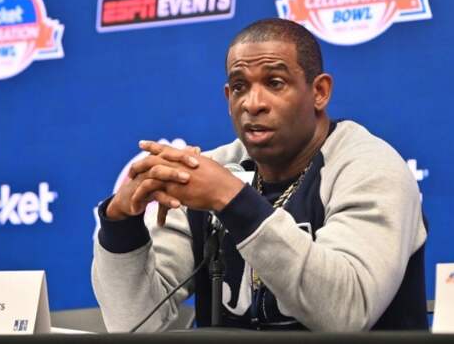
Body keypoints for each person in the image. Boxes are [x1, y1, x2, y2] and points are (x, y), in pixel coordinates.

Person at [92, 18, 428, 332]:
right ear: (228, 98)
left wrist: (232, 201)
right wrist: (121, 225)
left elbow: (347, 311)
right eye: (239, 87)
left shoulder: (368, 167)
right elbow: (133, 324)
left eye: (275, 83)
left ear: (319, 92)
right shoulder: (210, 173)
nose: (253, 103)